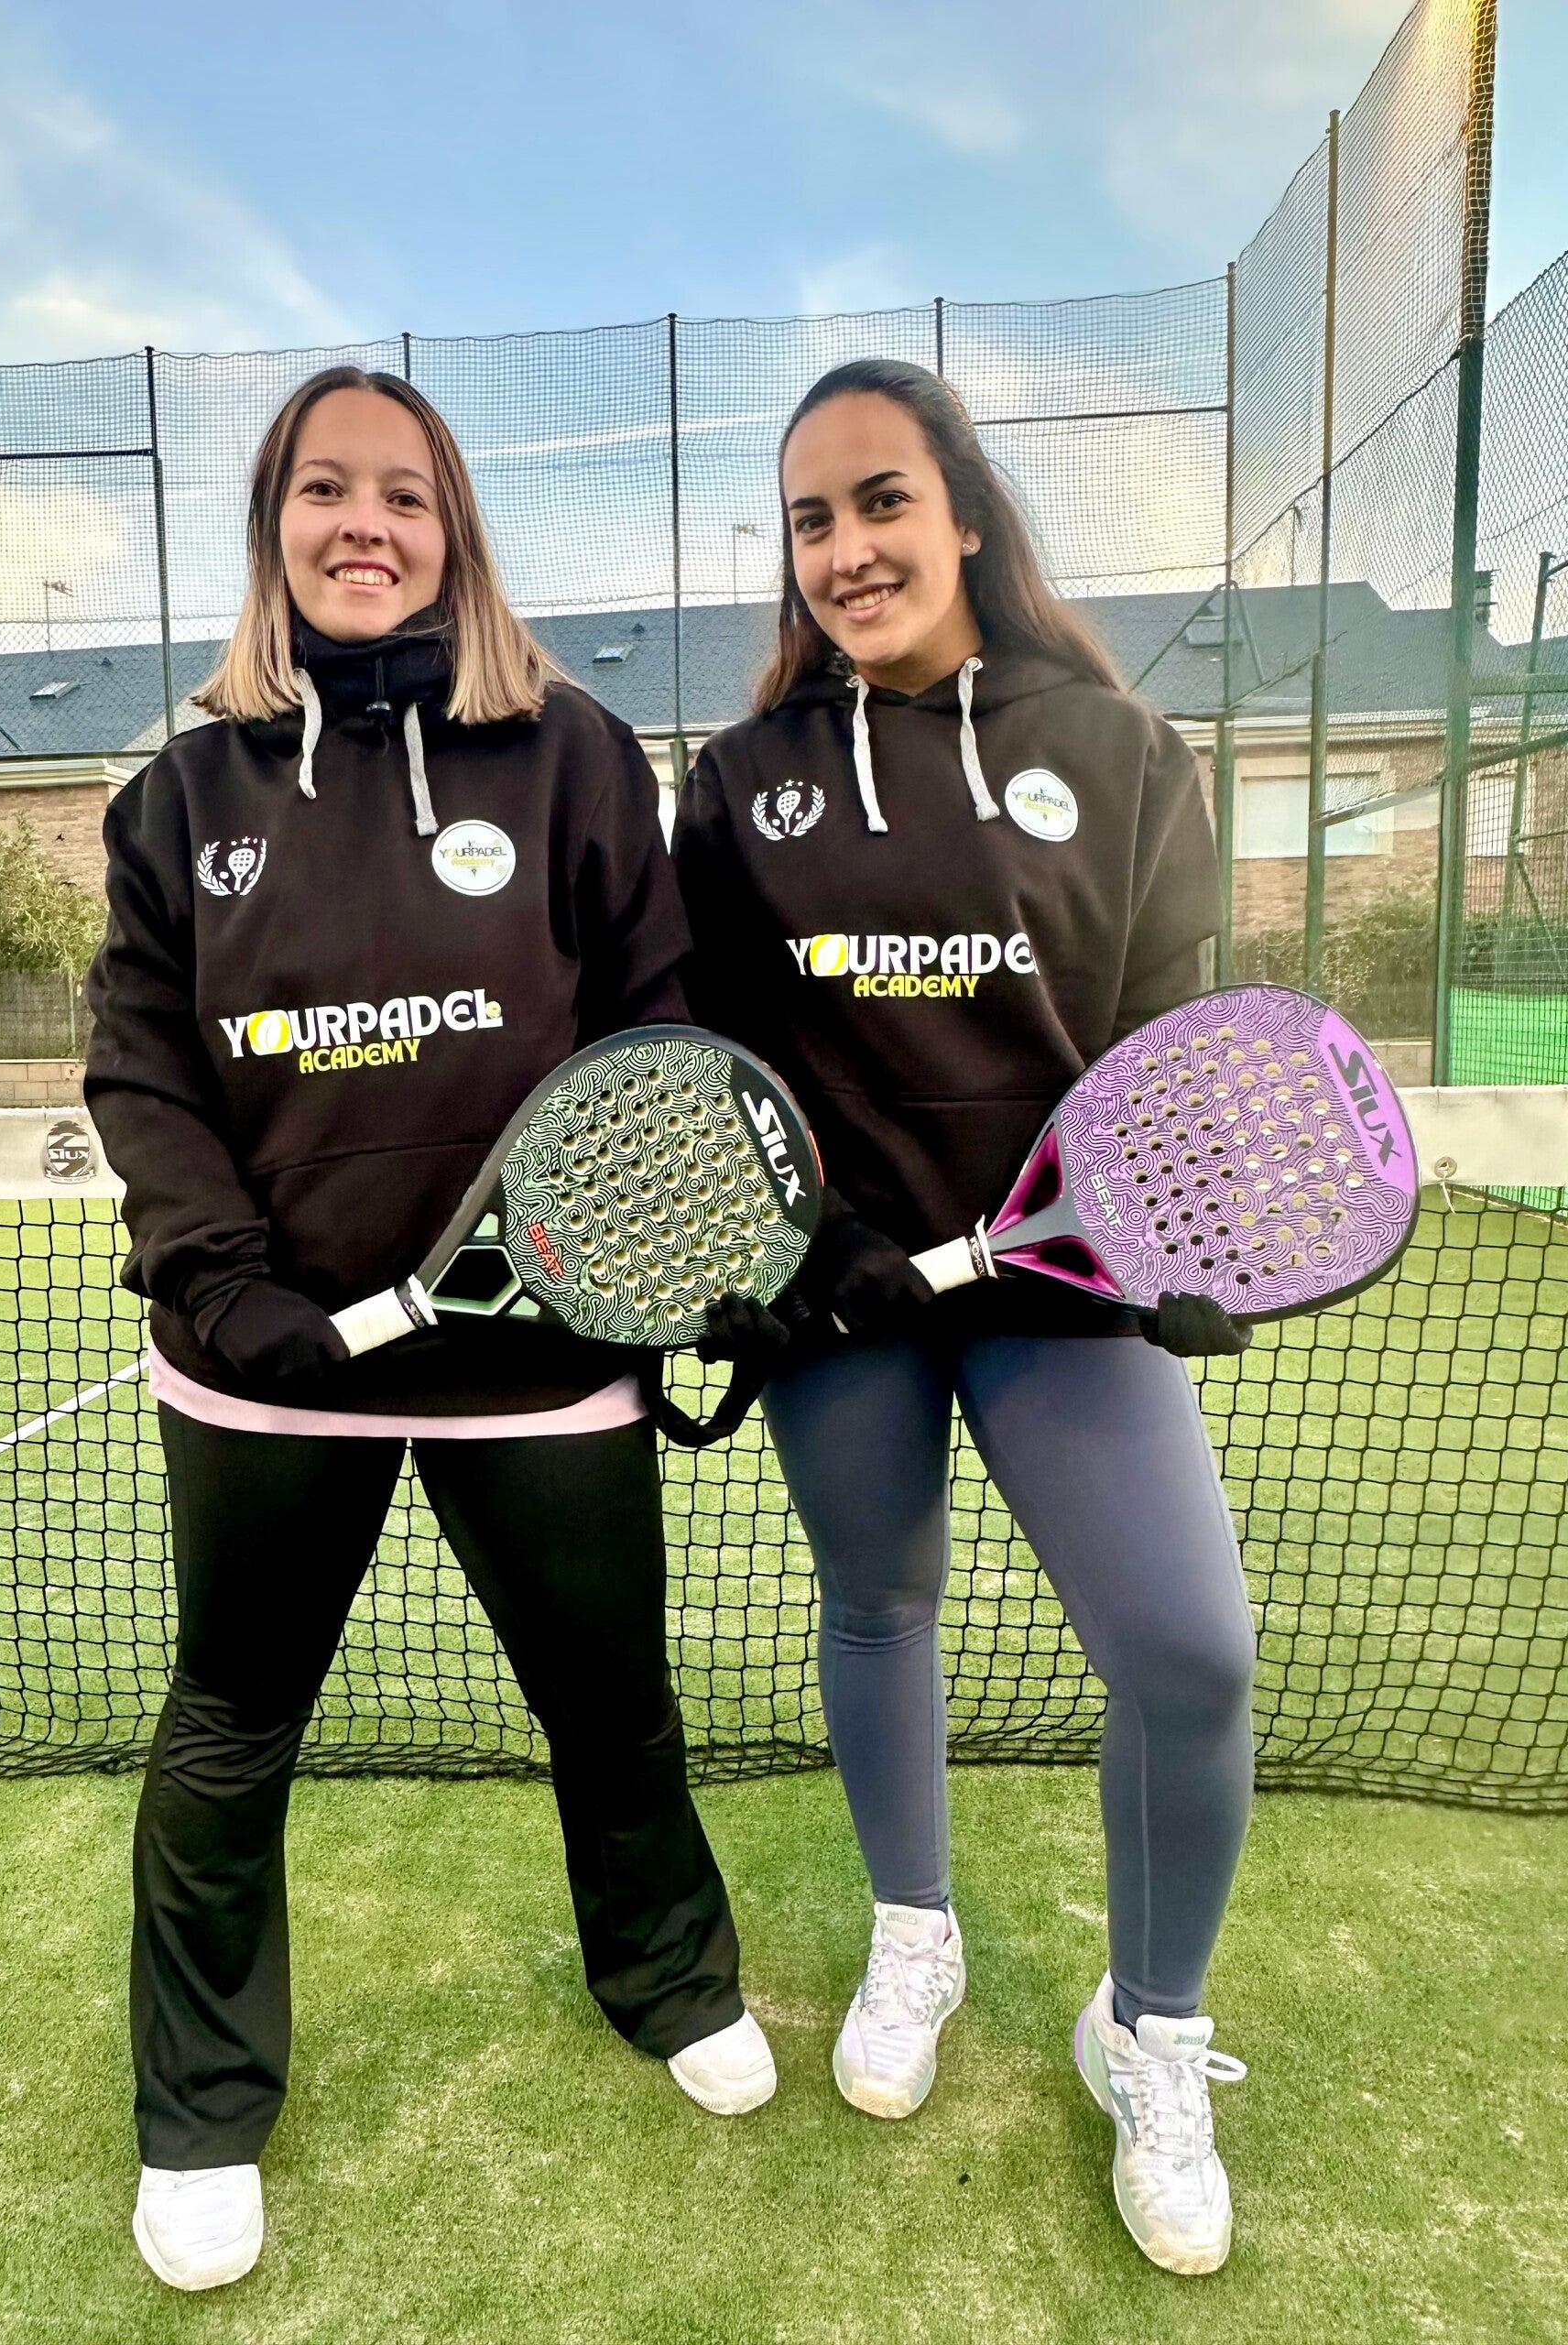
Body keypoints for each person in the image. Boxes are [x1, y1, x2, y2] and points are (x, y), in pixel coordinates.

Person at [86, 365, 774, 2295]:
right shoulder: (177, 799)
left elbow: (657, 1029)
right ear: (274, 528)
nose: (363, 524)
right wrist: (225, 1281)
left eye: (404, 492)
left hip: (538, 1366)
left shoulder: (572, 755)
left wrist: (661, 1254)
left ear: (453, 531)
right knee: (231, 1725)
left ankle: (670, 1979)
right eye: (325, 489)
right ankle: (201, 2108)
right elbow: (142, 1067)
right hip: (265, 1375)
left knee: (610, 1707)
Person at [674, 358, 1256, 2277]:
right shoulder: (739, 782)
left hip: (1059, 1289)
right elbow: (722, 1047)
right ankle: (911, 1929)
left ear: (967, 515)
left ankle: (1146, 2030)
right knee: (880, 1602)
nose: (848, 548)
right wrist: (816, 1228)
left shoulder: (1118, 745)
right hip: (845, 1291)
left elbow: (1169, 1032)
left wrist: (1180, 1224)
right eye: (812, 519)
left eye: (882, 502)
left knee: (1190, 1657)